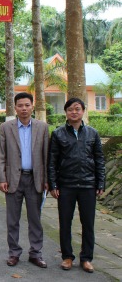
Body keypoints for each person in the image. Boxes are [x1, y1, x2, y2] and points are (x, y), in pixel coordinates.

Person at [48, 98, 105, 273]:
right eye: (71, 109)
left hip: (88, 184)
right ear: (66, 112)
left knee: (88, 223)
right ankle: (67, 257)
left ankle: (86, 258)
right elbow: (52, 161)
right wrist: (53, 184)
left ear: (83, 111)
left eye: (78, 109)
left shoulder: (92, 134)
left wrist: (100, 182)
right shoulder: (58, 134)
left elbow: (99, 160)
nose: (74, 112)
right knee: (65, 222)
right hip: (66, 185)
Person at [0, 92, 49, 268]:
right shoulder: (6, 127)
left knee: (35, 219)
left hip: (35, 179)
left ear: (32, 106)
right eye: (20, 105)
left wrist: (47, 179)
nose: (24, 109)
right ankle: (14, 253)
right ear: (15, 107)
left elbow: (46, 155)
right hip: (13, 180)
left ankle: (36, 253)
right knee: (12, 219)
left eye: (27, 105)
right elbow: (1, 155)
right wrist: (2, 178)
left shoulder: (42, 127)